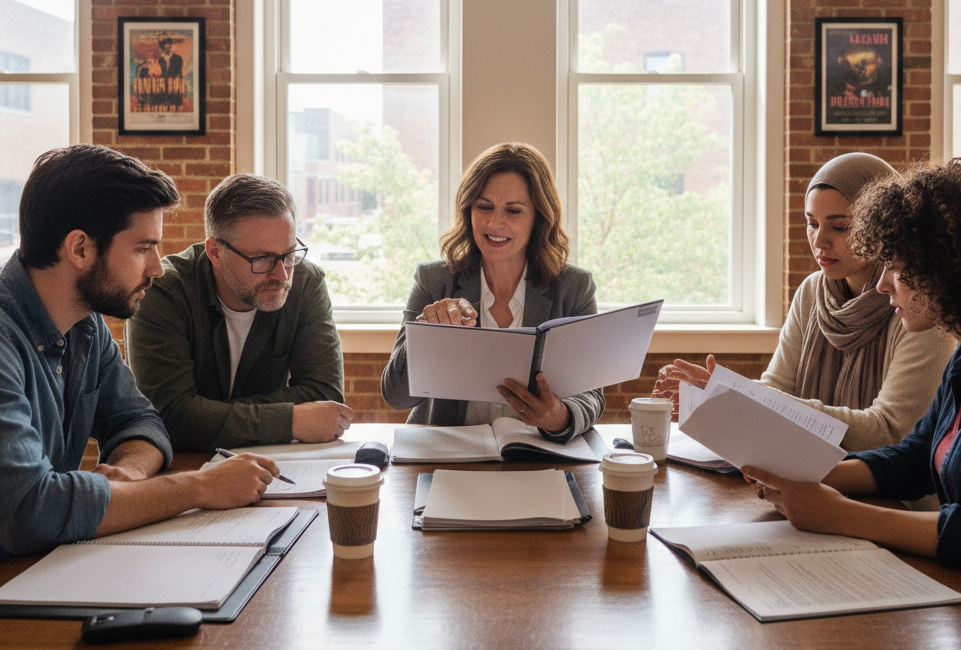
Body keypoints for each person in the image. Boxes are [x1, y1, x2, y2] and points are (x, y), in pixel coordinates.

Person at [744, 158, 961, 591]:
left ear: (954, 270)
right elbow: (915, 457)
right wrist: (813, 476)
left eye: (899, 269)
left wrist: (840, 515)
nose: (883, 284)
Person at [0, 144, 280, 557]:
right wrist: (200, 486)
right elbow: (30, 509)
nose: (157, 268)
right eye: (142, 248)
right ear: (80, 248)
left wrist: (130, 472)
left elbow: (140, 420)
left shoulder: (85, 325)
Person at [654, 152, 953, 451]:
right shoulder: (811, 292)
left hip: (889, 496)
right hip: (807, 478)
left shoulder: (918, 304)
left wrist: (735, 394)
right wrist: (720, 395)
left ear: (882, 228)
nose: (819, 241)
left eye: (840, 227)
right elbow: (776, 390)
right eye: (812, 223)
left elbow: (888, 431)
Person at [381, 142, 604, 441]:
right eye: (484, 207)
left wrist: (558, 417)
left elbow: (592, 396)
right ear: (468, 209)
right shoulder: (434, 280)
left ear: (538, 217)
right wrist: (426, 334)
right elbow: (396, 396)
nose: (495, 223)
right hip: (451, 455)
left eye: (513, 211)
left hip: (537, 456)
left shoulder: (574, 287)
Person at [125, 173, 350, 451]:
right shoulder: (164, 292)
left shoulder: (305, 283)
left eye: (289, 254)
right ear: (216, 252)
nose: (281, 274)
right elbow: (169, 415)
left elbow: (325, 396)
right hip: (184, 467)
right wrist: (288, 420)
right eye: (262, 259)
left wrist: (208, 415)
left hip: (274, 462)